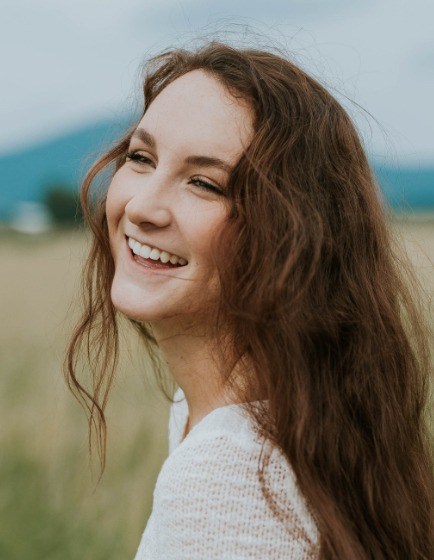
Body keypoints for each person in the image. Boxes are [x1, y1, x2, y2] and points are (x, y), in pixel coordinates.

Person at [65, 40, 434, 559]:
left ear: (290, 236)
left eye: (204, 183)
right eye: (141, 157)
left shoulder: (226, 478)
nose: (143, 206)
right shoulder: (287, 412)